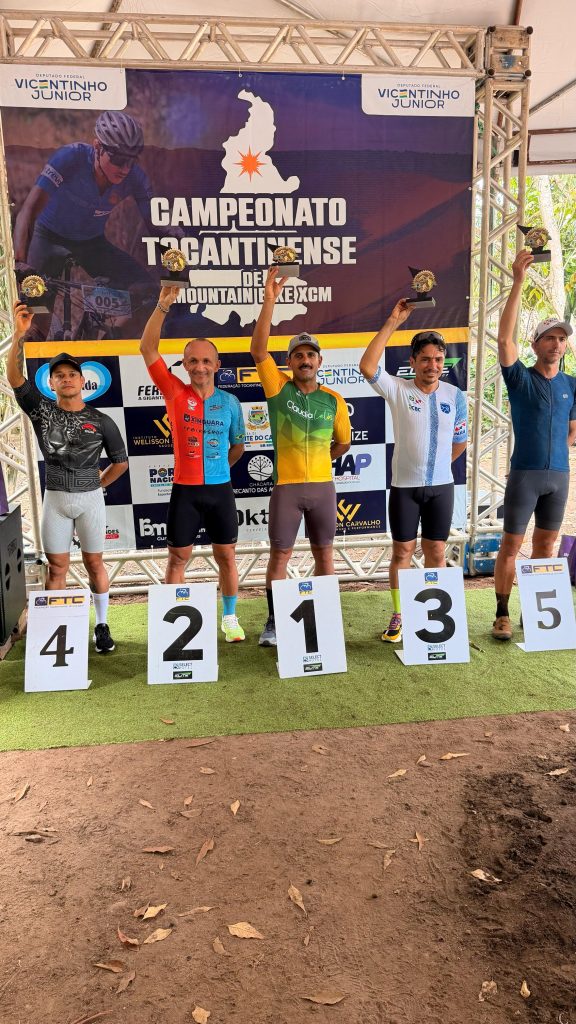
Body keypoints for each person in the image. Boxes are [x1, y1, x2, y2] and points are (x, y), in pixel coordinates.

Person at [7, 301, 128, 653]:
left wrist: (98, 484)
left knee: (94, 562)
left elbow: (120, 462)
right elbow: (14, 378)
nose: (66, 379)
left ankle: (102, 625)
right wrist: (18, 335)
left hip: (90, 499)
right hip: (56, 500)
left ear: (82, 380)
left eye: (71, 374)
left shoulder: (102, 420)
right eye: (59, 375)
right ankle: (54, 633)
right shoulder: (41, 411)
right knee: (57, 567)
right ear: (51, 383)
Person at [250, 267, 352, 647]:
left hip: (323, 488)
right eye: (298, 355)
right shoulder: (277, 387)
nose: (305, 360)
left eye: (310, 355)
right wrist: (269, 300)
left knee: (325, 555)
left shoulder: (334, 400)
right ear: (289, 362)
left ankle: (325, 618)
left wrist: (322, 459)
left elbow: (343, 443)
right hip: (287, 489)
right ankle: (274, 622)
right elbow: (258, 350)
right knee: (280, 557)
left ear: (320, 361)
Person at [139, 287, 246, 643]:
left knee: (227, 557)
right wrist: (162, 305)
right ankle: (174, 623)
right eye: (193, 361)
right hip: (184, 491)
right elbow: (147, 349)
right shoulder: (174, 392)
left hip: (219, 491)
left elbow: (238, 446)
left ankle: (229, 618)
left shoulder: (230, 402)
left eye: (206, 361)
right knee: (177, 558)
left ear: (217, 365)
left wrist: (219, 470)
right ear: (184, 365)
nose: (200, 367)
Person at [359, 299, 468, 642]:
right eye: (425, 359)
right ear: (413, 362)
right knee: (402, 553)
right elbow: (367, 366)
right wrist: (393, 321)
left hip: (442, 488)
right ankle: (399, 614)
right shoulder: (398, 389)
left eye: (438, 359)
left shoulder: (455, 395)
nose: (432, 365)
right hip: (405, 488)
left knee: (436, 552)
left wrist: (438, 466)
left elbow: (460, 441)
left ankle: (433, 618)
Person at [491, 249, 576, 641]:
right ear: (535, 343)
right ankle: (502, 615)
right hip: (525, 475)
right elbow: (503, 338)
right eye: (549, 338)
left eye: (561, 339)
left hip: (559, 477)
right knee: (511, 545)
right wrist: (518, 282)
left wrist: (560, 448)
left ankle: (537, 616)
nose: (556, 344)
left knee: (546, 546)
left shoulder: (571, 384)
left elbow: (572, 430)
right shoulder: (520, 378)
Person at [13, 110, 155, 337]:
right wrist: (20, 261)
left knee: (148, 292)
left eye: (131, 160)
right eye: (118, 159)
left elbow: (157, 225)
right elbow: (27, 211)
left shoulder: (134, 177)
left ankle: (104, 347)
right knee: (35, 319)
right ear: (97, 147)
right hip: (48, 237)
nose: (125, 168)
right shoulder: (71, 157)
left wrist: (178, 242)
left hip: (91, 243)